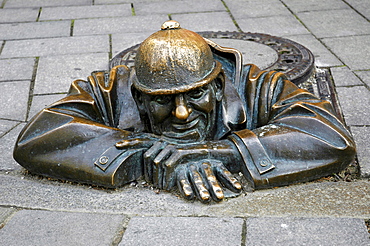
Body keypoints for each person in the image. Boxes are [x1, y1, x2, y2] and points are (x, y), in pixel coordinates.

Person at [14, 20, 356, 202]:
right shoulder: (111, 88)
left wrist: (220, 153)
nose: (180, 113)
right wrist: (145, 161)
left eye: (195, 95)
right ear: (140, 96)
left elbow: (331, 137)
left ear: (219, 87)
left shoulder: (259, 85)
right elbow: (38, 136)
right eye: (162, 100)